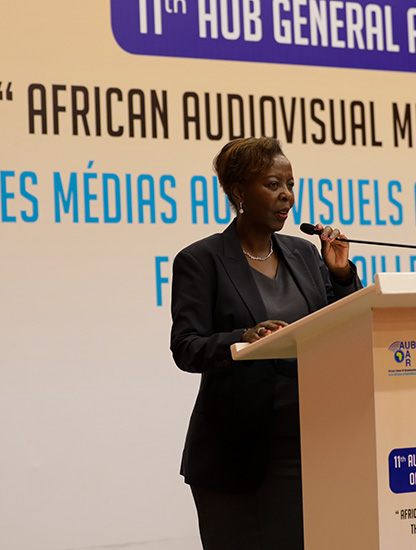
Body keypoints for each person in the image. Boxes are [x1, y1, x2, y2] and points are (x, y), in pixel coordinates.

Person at [170, 137, 362, 550]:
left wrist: (342, 275)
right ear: (239, 191)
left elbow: (342, 326)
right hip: (238, 455)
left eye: (290, 184)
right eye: (273, 184)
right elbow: (186, 346)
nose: (287, 195)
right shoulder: (201, 260)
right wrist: (242, 340)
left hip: (313, 447)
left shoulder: (305, 254)